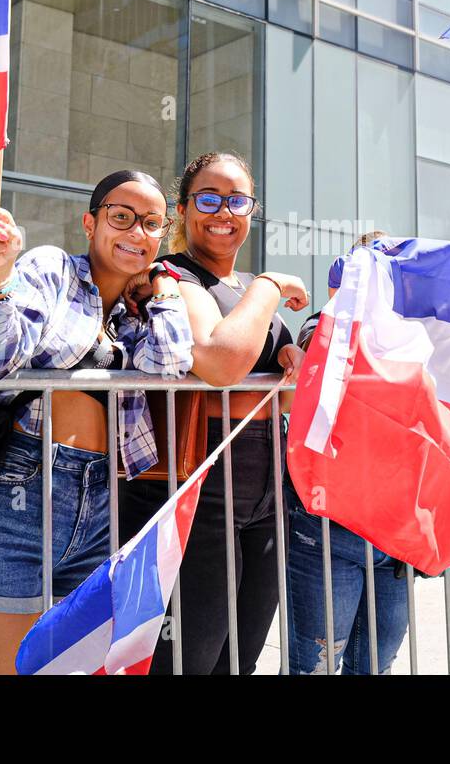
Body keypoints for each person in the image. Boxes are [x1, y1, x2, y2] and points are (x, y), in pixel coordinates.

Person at [0, 170, 193, 674]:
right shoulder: (53, 269)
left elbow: (170, 365)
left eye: (152, 223)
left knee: (69, 667)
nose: (137, 232)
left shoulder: (139, 308)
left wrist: (162, 285)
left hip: (99, 499)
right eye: (122, 217)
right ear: (90, 223)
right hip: (15, 487)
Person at [118, 151, 309, 675]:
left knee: (238, 663)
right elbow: (220, 357)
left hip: (267, 494)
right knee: (185, 662)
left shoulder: (247, 288)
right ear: (183, 209)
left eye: (237, 200)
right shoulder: (172, 276)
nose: (223, 211)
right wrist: (272, 286)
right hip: (197, 490)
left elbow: (284, 397)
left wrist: (290, 358)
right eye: (208, 198)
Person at [286, 230, 411, 675]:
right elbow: (309, 357)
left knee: (376, 664)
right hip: (328, 528)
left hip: (393, 537)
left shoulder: (412, 335)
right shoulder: (324, 322)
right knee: (315, 664)